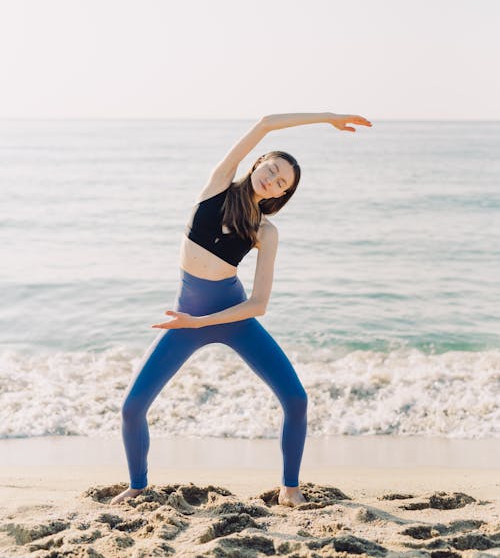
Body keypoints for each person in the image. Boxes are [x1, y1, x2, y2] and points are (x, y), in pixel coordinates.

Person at [110, 111, 372, 507]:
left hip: (232, 318)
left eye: (282, 182)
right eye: (273, 168)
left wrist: (200, 322)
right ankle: (138, 486)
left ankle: (290, 489)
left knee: (296, 400)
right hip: (186, 317)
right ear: (258, 163)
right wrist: (327, 118)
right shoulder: (217, 185)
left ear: (280, 195)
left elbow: (258, 304)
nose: (273, 179)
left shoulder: (265, 232)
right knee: (131, 408)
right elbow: (266, 122)